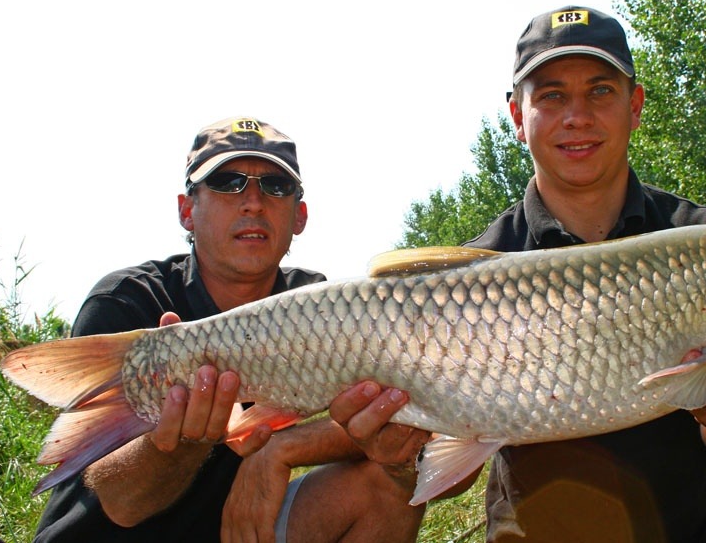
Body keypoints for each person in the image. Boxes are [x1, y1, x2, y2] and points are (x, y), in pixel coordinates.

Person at [335, 6, 706, 542]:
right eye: (551, 96)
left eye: (600, 91)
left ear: (635, 106)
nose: (577, 116)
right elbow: (450, 477)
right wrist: (399, 457)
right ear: (516, 118)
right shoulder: (471, 275)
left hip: (697, 530)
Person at [32, 117, 428, 543]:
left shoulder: (315, 303)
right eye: (227, 182)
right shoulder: (129, 301)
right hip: (107, 536)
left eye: (275, 186)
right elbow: (122, 503)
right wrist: (187, 440)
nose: (253, 202)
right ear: (187, 211)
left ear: (300, 216)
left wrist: (281, 449)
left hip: (236, 531)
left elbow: (388, 403)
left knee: (390, 484)